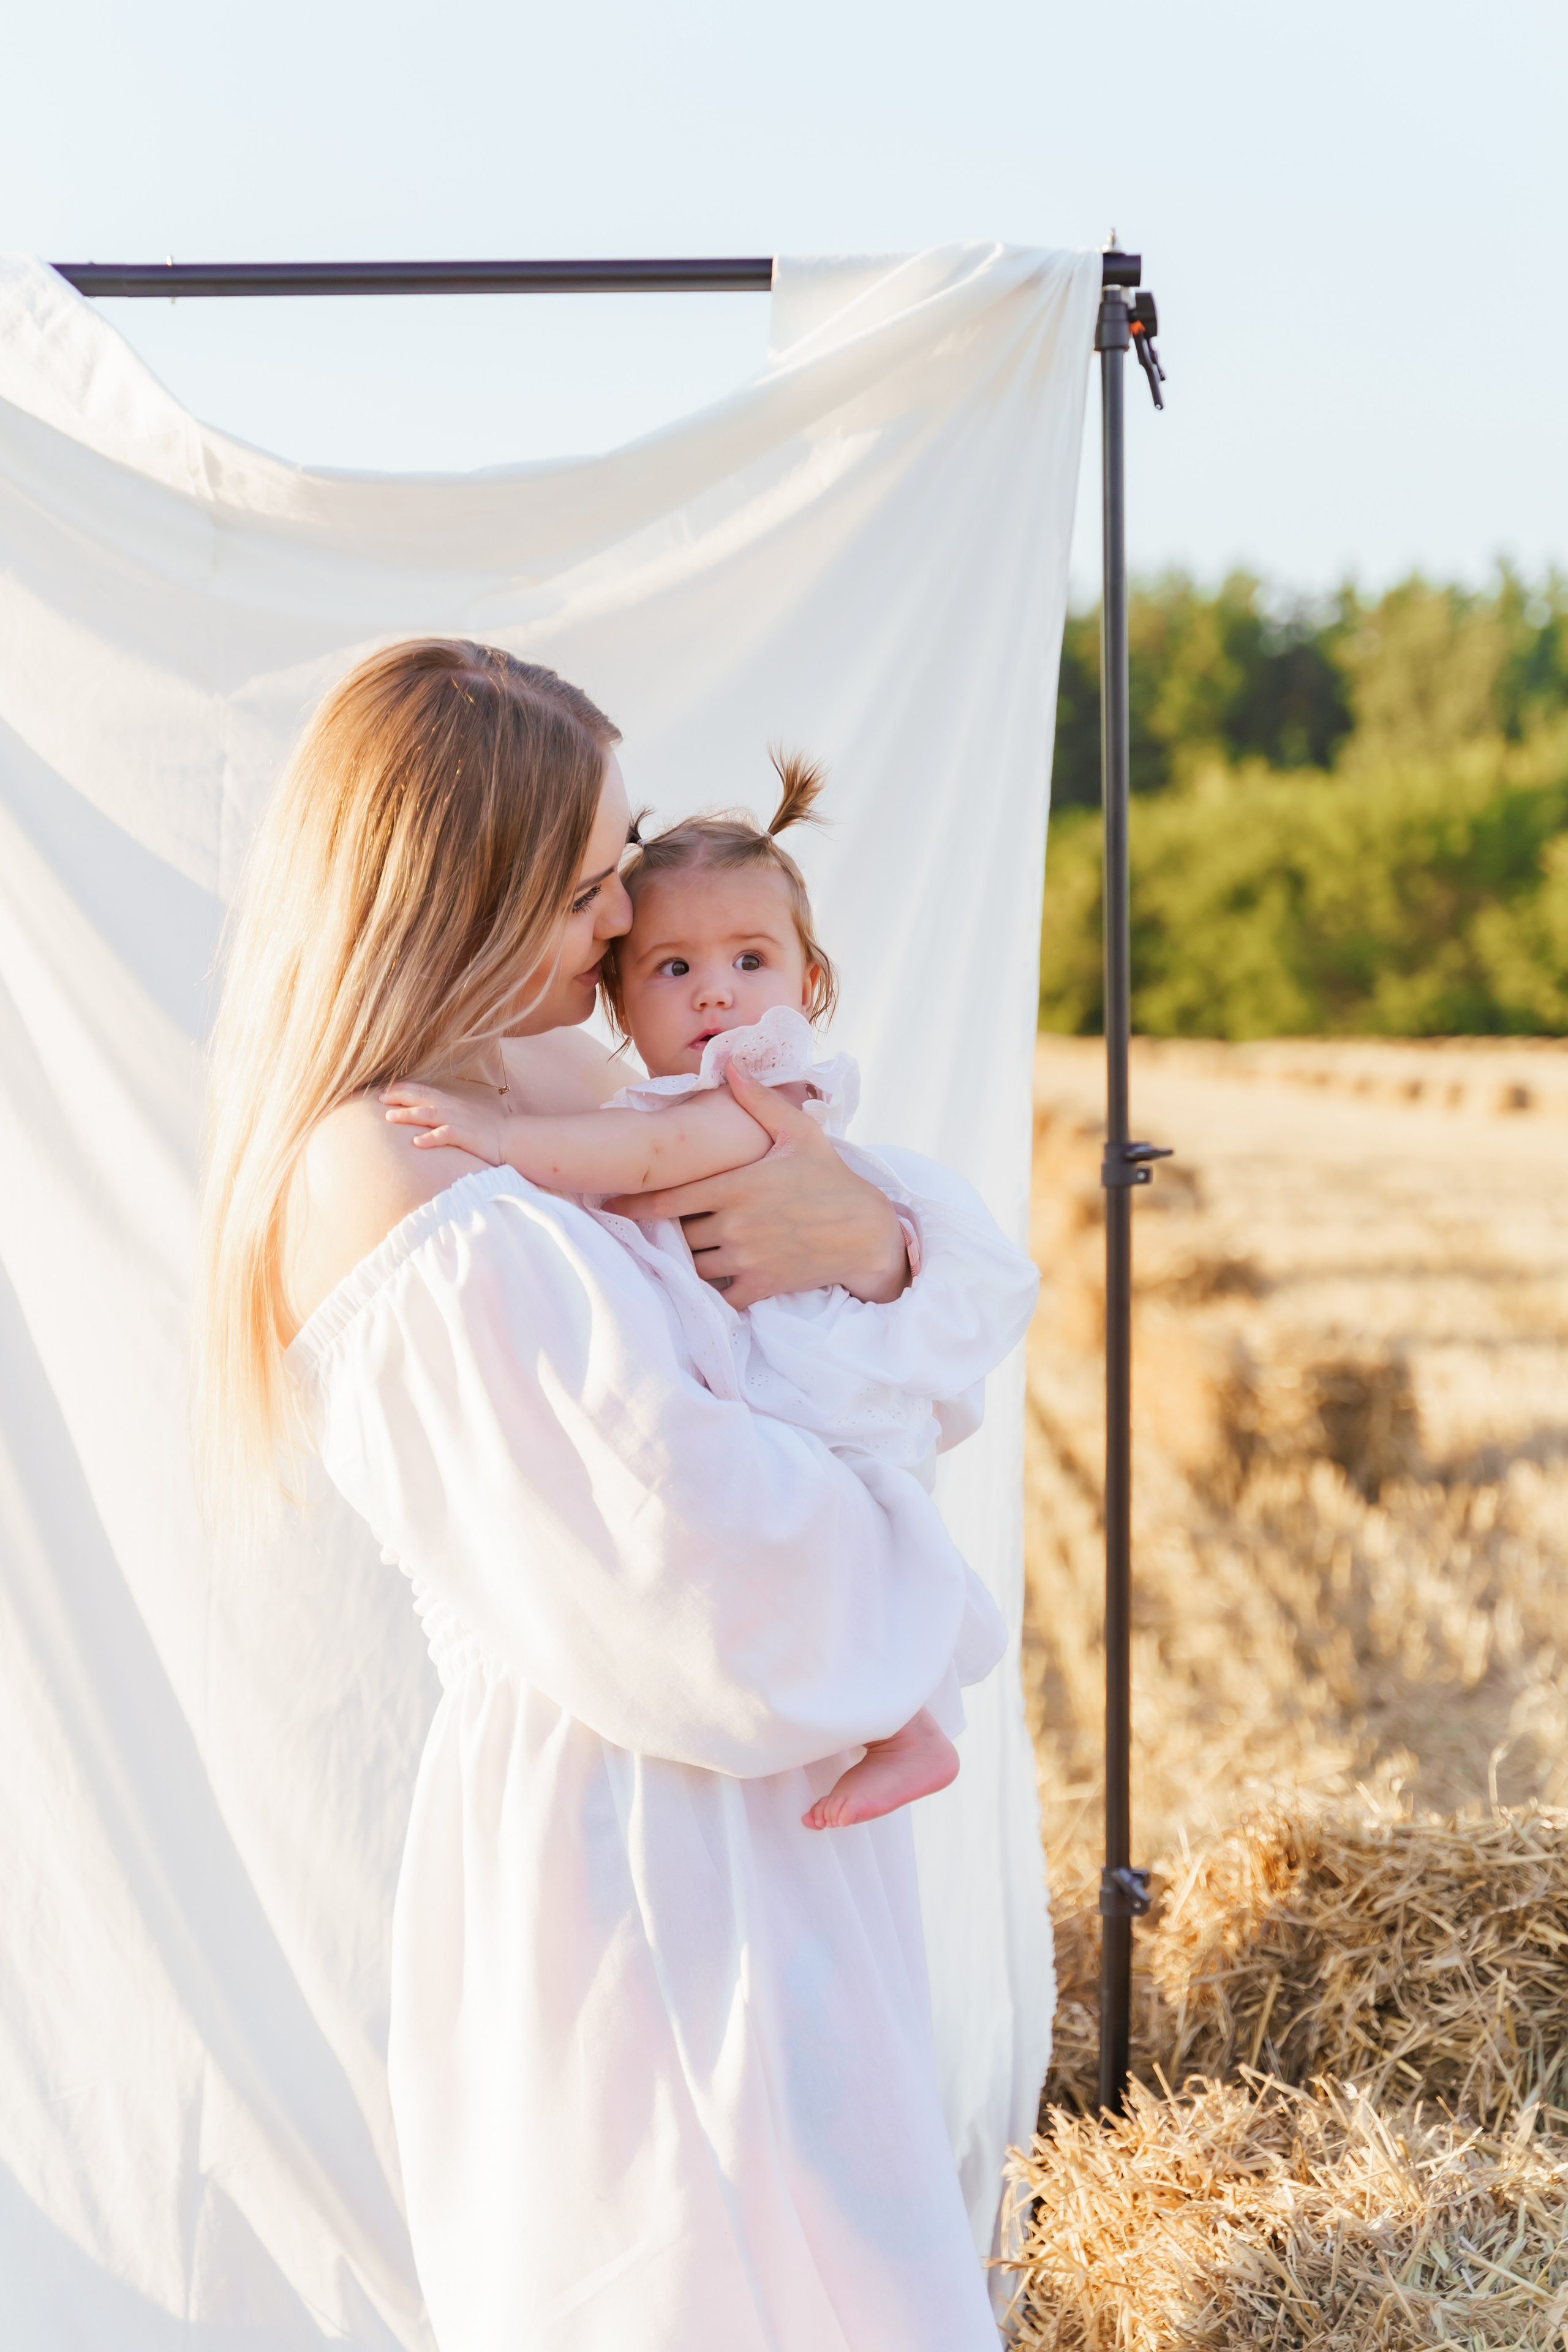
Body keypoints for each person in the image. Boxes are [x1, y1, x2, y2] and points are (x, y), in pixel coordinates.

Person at [195, 638, 1034, 2352]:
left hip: (740, 1835)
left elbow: (894, 1300)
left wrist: (872, 1247)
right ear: (470, 884)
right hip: (649, 1861)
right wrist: (917, 1592)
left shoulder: (536, 1095)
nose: (615, 934)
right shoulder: (390, 1163)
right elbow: (694, 1582)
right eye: (585, 889)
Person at [379, 750, 1038, 1834]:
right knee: (831, 1537)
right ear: (620, 1002)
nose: (718, 991)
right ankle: (906, 1722)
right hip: (753, 1386)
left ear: (807, 985)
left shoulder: (755, 1088)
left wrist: (501, 1140)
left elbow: (647, 1164)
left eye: (749, 959)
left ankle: (915, 1720)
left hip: (813, 1367)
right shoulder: (635, 1095)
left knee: (859, 1521)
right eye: (673, 969)